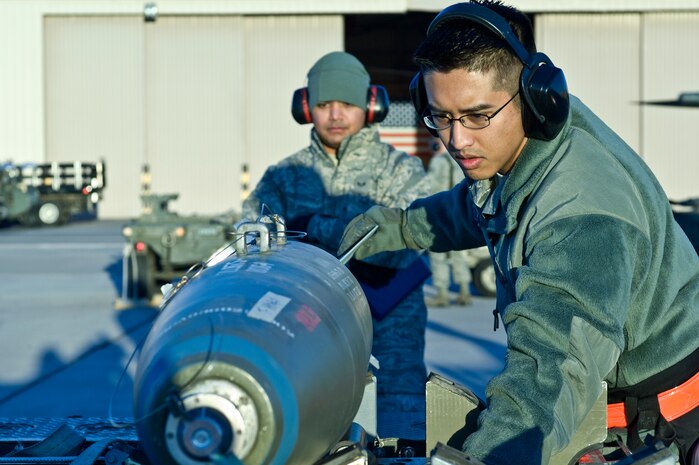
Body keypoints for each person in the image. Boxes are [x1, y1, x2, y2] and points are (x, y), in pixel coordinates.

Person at [337, 2, 699, 464]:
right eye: (441, 117)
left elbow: (546, 374)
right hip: (613, 404)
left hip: (666, 424)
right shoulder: (522, 151)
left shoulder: (583, 214)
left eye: (476, 116)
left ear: (533, 98)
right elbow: (480, 207)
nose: (456, 141)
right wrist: (399, 228)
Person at [242, 51, 432, 440]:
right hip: (303, 330)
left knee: (398, 435)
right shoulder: (284, 177)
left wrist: (310, 227)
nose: (335, 115)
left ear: (371, 105)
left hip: (389, 328)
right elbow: (251, 245)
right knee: (307, 431)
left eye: (346, 104)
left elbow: (405, 245)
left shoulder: (400, 170)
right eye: (325, 104)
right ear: (306, 107)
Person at [425, 139, 473, 307]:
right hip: (458, 214)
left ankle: (442, 294)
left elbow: (430, 188)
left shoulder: (438, 161)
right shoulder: (459, 160)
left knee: (438, 254)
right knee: (458, 254)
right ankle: (464, 291)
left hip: (439, 213)